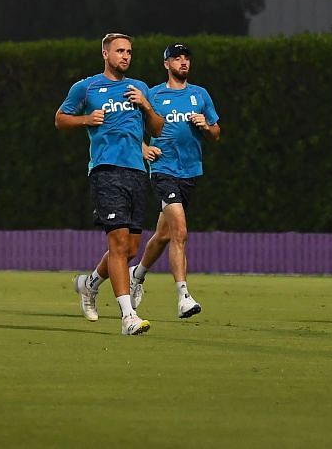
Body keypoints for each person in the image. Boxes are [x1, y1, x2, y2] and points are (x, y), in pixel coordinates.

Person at [57, 31, 165, 336]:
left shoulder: (140, 87)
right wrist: (86, 120)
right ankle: (128, 316)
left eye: (129, 52)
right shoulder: (87, 87)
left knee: (130, 248)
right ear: (106, 54)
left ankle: (89, 284)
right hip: (106, 171)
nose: (126, 56)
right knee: (117, 244)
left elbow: (158, 127)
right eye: (120, 51)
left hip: (136, 171)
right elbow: (60, 119)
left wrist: (145, 105)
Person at [130, 42, 221, 319]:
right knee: (180, 231)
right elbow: (131, 126)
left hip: (190, 172)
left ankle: (138, 274)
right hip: (163, 170)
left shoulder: (200, 94)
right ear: (166, 64)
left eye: (186, 58)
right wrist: (144, 148)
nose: (183, 62)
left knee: (164, 234)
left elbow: (216, 133)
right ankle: (183, 296)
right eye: (177, 58)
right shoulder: (154, 94)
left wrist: (206, 126)